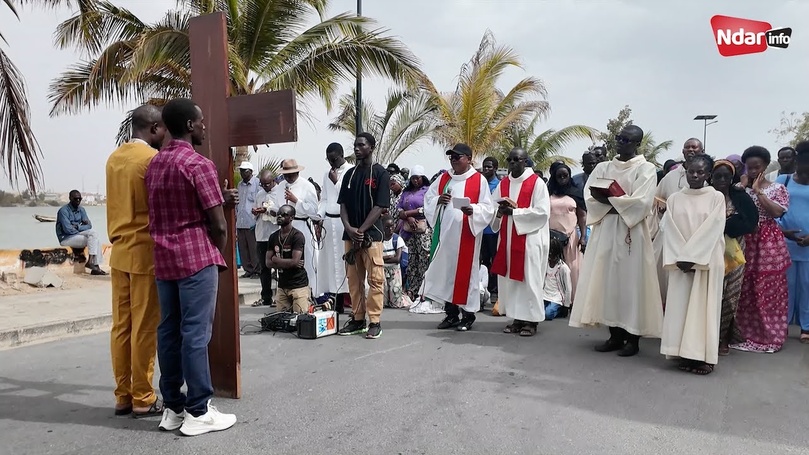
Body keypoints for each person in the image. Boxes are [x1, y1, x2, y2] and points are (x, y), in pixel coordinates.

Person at [145, 98, 236, 436]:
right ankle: (199, 410)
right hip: (196, 258)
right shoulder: (199, 165)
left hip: (164, 259)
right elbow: (219, 224)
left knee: (168, 332)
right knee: (196, 334)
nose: (204, 126)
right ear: (188, 125)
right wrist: (217, 254)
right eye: (200, 121)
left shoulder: (154, 165)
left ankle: (172, 407)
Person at [569, 125, 663, 357]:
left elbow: (641, 203)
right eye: (619, 138)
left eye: (626, 139)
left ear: (637, 144)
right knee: (608, 283)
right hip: (606, 232)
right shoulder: (603, 167)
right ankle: (614, 335)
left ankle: (633, 339)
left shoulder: (646, 169)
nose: (621, 142)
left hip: (632, 234)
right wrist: (619, 203)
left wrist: (611, 203)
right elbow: (589, 197)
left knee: (631, 285)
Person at [105, 104, 165, 417]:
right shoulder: (152, 160)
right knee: (143, 328)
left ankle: (122, 395)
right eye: (162, 130)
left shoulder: (114, 158)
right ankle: (143, 397)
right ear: (154, 128)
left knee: (121, 327)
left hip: (118, 253)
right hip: (144, 254)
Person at [660, 155, 726, 375]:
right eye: (691, 171)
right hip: (681, 262)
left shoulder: (715, 197)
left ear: (708, 175)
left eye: (701, 172)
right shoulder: (675, 199)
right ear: (686, 171)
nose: (695, 175)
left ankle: (704, 357)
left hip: (706, 260)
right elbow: (669, 228)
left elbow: (713, 228)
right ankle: (684, 352)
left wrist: (692, 256)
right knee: (681, 306)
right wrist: (682, 257)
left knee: (703, 308)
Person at [424, 143, 495, 331]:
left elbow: (488, 208)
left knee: (466, 276)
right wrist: (438, 200)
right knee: (447, 275)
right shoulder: (443, 178)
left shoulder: (478, 180)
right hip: (445, 237)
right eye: (451, 157)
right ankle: (451, 314)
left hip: (466, 237)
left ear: (469, 159)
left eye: (458, 157)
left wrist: (474, 210)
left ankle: (468, 315)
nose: (453, 160)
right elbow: (428, 199)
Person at [730, 146, 790, 353]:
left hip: (768, 245)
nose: (754, 170)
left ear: (765, 166)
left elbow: (775, 213)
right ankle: (744, 334)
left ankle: (770, 337)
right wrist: (743, 186)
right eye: (750, 167)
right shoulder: (741, 187)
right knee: (745, 289)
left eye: (758, 167)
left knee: (768, 291)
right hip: (746, 240)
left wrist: (758, 192)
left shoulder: (777, 189)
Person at [491, 148, 550, 336]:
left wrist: (514, 213)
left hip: (530, 239)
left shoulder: (537, 183)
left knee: (529, 279)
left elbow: (542, 213)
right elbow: (493, 207)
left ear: (526, 161)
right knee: (511, 280)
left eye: (516, 159)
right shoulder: (504, 183)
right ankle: (517, 318)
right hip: (508, 238)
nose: (512, 163)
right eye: (509, 159)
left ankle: (531, 321)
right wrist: (499, 213)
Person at [337, 132, 390, 339]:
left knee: (375, 279)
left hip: (372, 236)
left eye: (361, 145)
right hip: (350, 235)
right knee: (354, 278)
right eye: (355, 145)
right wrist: (350, 228)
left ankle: (374, 321)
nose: (357, 148)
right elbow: (342, 205)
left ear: (371, 147)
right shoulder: (349, 175)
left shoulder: (380, 174)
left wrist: (362, 230)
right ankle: (358, 319)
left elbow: (380, 205)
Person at [710, 159, 758, 356]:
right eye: (718, 176)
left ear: (732, 177)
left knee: (730, 296)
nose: (722, 179)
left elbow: (752, 222)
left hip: (734, 250)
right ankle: (707, 337)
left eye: (726, 176)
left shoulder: (740, 196)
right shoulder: (705, 194)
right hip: (708, 249)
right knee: (710, 294)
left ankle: (724, 338)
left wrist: (726, 225)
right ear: (711, 177)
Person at [271, 159, 319, 293]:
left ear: (297, 172)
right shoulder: (281, 186)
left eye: (291, 174)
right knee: (284, 260)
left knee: (306, 261)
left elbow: (314, 211)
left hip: (301, 225)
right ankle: (287, 293)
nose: (288, 177)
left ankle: (310, 293)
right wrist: (272, 210)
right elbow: (276, 206)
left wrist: (296, 201)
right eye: (285, 174)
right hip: (284, 229)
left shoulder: (307, 186)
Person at [777, 141, 809, 344]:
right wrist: (783, 231)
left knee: (807, 285)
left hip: (808, 245)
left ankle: (806, 326)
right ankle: (783, 325)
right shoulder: (784, 180)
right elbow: (773, 209)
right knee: (786, 285)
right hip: (786, 242)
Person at [315, 143, 352, 313]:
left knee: (345, 261)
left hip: (344, 222)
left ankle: (351, 300)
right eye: (328, 160)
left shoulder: (351, 171)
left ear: (341, 155)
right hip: (329, 223)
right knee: (330, 262)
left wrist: (336, 182)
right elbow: (324, 199)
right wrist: (318, 217)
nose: (331, 163)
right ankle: (335, 301)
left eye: (334, 159)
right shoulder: (326, 173)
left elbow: (348, 196)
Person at [547, 162, 586, 298]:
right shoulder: (548, 193)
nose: (562, 178)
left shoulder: (576, 193)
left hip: (571, 238)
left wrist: (583, 237)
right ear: (554, 177)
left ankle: (573, 300)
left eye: (565, 175)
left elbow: (582, 216)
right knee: (551, 269)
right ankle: (553, 299)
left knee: (573, 269)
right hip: (550, 238)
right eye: (559, 176)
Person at [266, 205, 310, 313]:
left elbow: (294, 262)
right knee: (282, 320)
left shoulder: (297, 236)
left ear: (292, 218)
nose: (280, 216)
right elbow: (268, 263)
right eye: (278, 214)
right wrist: (288, 262)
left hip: (298, 285)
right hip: (282, 285)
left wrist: (276, 260)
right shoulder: (273, 237)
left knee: (300, 319)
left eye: (284, 214)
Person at [397, 165, 432, 300]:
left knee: (423, 260)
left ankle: (423, 290)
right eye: (413, 178)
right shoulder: (406, 192)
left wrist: (409, 213)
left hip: (423, 230)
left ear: (422, 178)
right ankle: (412, 289)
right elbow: (398, 208)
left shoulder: (427, 191)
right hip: (409, 232)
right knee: (411, 261)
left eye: (417, 178)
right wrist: (408, 216)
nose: (415, 181)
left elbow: (426, 208)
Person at [56, 190, 106, 275]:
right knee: (94, 238)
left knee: (94, 236)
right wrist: (81, 227)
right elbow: (68, 230)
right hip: (66, 238)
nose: (78, 201)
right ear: (70, 198)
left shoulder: (81, 210)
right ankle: (94, 266)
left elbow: (89, 225)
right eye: (76, 199)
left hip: (77, 234)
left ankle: (93, 264)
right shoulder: (63, 211)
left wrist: (77, 226)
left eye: (80, 198)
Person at [251, 170, 278, 306]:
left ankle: (280, 298)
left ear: (273, 181)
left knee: (279, 267)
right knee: (264, 267)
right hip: (261, 235)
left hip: (276, 234)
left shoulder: (279, 192)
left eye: (267, 184)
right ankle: (266, 296)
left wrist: (267, 210)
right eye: (262, 184)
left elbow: (281, 212)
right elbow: (255, 213)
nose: (265, 187)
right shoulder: (260, 194)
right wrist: (255, 211)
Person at [236, 161, 261, 278]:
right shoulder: (240, 185)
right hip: (241, 221)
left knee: (253, 247)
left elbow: (260, 200)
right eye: (241, 170)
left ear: (250, 171)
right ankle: (248, 269)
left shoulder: (257, 183)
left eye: (244, 170)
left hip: (252, 221)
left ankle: (257, 270)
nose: (242, 173)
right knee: (243, 248)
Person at [480, 156, 500, 300]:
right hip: (479, 228)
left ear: (495, 169)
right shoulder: (479, 184)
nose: (486, 169)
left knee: (495, 260)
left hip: (493, 230)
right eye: (484, 167)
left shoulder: (499, 185)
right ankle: (483, 288)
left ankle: (494, 289)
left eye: (489, 167)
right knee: (482, 261)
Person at [381, 215, 410, 309]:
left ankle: (404, 297)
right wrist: (389, 256)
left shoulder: (397, 239)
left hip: (394, 270)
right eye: (387, 227)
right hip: (382, 270)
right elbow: (376, 257)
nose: (390, 229)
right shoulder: (379, 240)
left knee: (396, 303)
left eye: (392, 226)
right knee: (382, 301)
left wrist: (383, 258)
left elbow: (397, 259)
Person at [543, 237, 572, 320]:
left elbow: (568, 288)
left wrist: (566, 306)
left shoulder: (563, 268)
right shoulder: (545, 264)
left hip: (556, 298)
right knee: (537, 312)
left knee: (547, 314)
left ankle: (559, 310)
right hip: (544, 295)